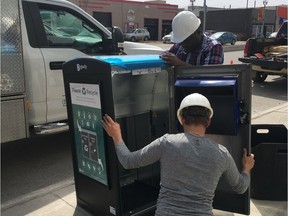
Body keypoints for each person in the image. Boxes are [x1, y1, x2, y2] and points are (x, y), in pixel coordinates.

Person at [102, 93, 254, 216]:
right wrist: (246, 168)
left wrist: (116, 136)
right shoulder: (222, 154)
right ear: (208, 121)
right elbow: (241, 187)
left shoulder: (167, 143)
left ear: (181, 119)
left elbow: (128, 161)